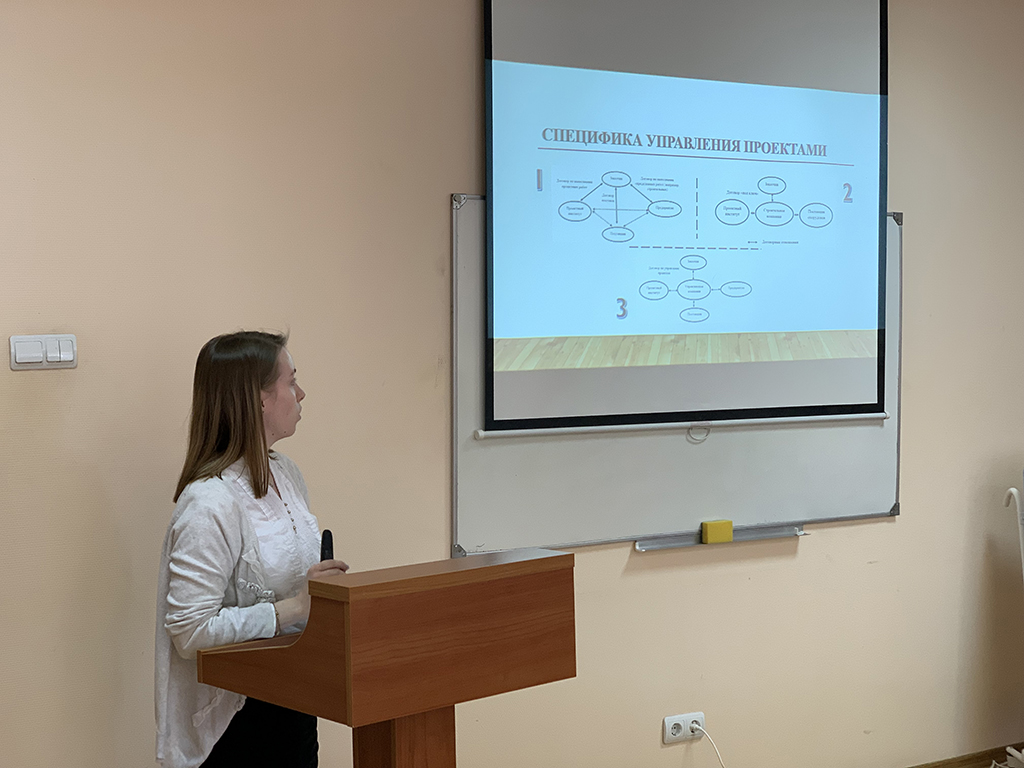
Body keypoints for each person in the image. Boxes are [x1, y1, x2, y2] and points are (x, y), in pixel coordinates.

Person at [155, 331, 348, 768]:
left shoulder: (288, 474)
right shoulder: (209, 503)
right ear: (259, 400)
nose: (301, 393)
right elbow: (190, 631)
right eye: (291, 381)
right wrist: (293, 607)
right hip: (235, 723)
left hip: (295, 698)